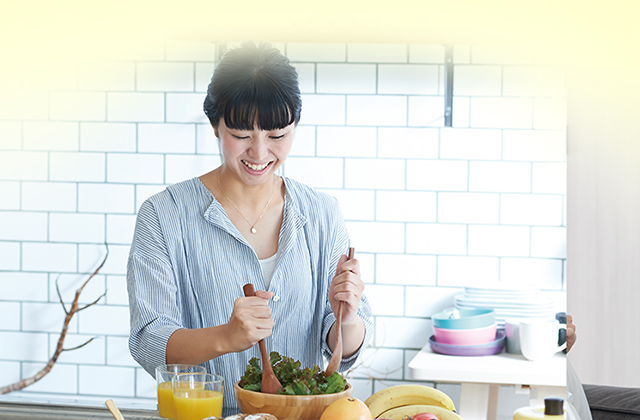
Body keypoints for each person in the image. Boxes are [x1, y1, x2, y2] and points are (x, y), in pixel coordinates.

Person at [126, 41, 372, 415]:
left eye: (277, 135)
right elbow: (149, 340)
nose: (259, 154)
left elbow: (344, 345)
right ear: (215, 126)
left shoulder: (323, 214)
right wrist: (226, 337)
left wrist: (347, 317)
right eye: (241, 135)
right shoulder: (164, 215)